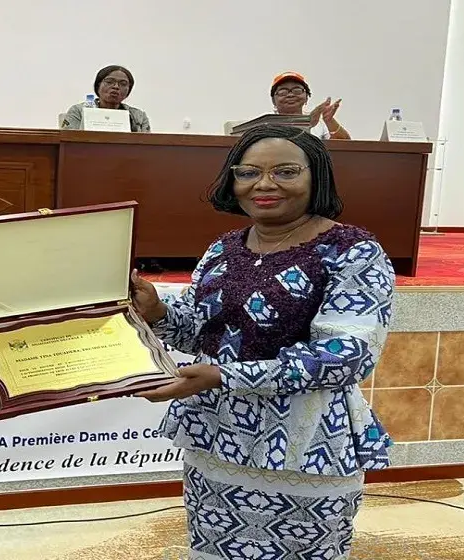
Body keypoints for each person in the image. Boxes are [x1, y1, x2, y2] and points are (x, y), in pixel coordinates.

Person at [130, 123, 393, 559]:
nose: (264, 184)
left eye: (286, 172)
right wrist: (156, 310)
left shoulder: (353, 250)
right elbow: (198, 330)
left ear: (317, 178)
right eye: (248, 172)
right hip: (217, 439)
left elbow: (347, 356)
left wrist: (223, 375)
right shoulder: (224, 248)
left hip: (303, 447)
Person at [61, 65, 151, 132]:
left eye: (123, 84)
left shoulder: (139, 116)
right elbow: (68, 141)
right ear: (98, 85)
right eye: (109, 82)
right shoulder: (78, 111)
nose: (116, 87)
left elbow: (147, 146)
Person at [271, 71, 350, 140]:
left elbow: (345, 146)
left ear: (306, 98)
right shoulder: (265, 121)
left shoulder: (319, 122)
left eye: (297, 90)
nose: (290, 95)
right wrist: (308, 123)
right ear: (273, 100)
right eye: (283, 92)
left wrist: (329, 121)